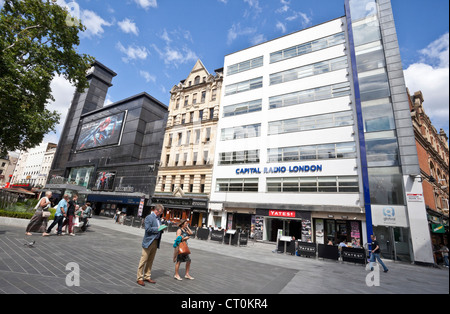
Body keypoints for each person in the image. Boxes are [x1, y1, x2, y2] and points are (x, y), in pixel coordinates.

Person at [136, 204, 165, 286]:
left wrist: (162, 228)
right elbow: (148, 229)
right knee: (143, 260)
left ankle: (147, 276)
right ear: (156, 210)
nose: (161, 213)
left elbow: (158, 228)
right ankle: (139, 278)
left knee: (150, 260)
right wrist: (159, 228)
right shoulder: (149, 217)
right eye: (160, 212)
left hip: (156, 241)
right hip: (149, 241)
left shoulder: (158, 218)